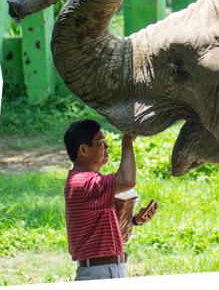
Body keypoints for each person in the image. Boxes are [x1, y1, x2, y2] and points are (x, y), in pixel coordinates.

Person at [63, 119, 158, 280]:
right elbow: (127, 180)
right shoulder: (85, 183)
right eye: (101, 142)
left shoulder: (85, 181)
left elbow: (100, 231)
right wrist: (127, 141)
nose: (106, 146)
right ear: (84, 150)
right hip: (101, 273)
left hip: (104, 271)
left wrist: (135, 220)